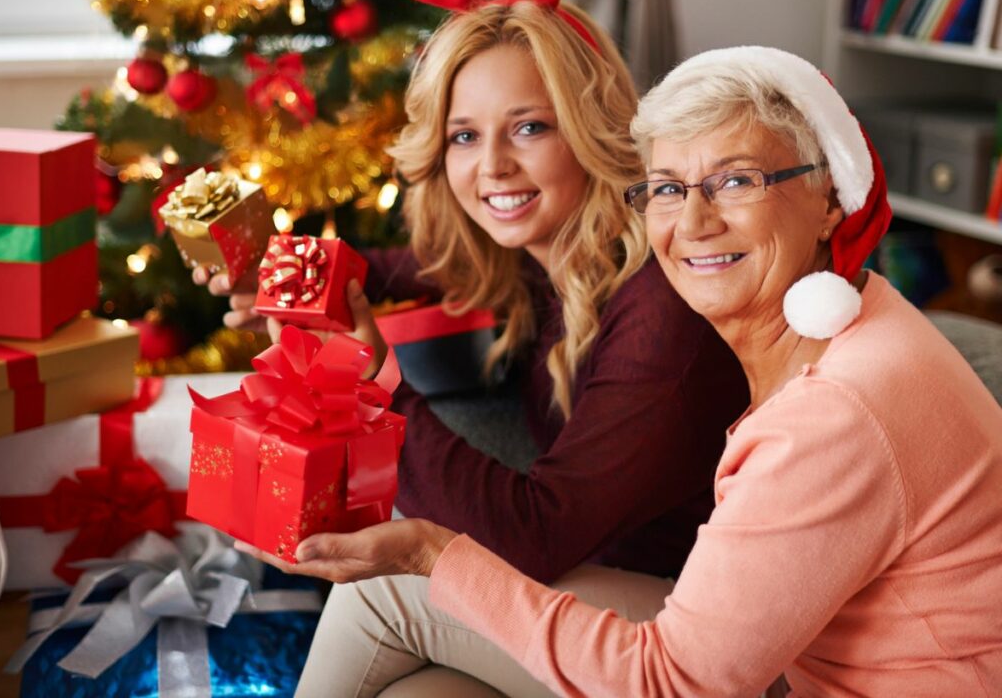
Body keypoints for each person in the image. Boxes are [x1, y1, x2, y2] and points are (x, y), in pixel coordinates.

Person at [239, 45, 1002, 697]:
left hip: (770, 678)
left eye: (737, 181)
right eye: (669, 187)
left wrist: (427, 547)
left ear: (829, 200)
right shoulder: (854, 314)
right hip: (767, 649)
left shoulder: (835, 406)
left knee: (388, 595)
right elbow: (449, 264)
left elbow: (673, 681)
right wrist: (311, 274)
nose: (694, 222)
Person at [203, 0, 747, 695]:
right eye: (465, 136)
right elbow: (384, 270)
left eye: (529, 127)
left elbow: (536, 535)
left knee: (385, 590)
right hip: (608, 594)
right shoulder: (544, 252)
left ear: (592, 131)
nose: (491, 166)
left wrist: (374, 377)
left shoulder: (662, 309)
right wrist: (270, 270)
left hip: (704, 634)